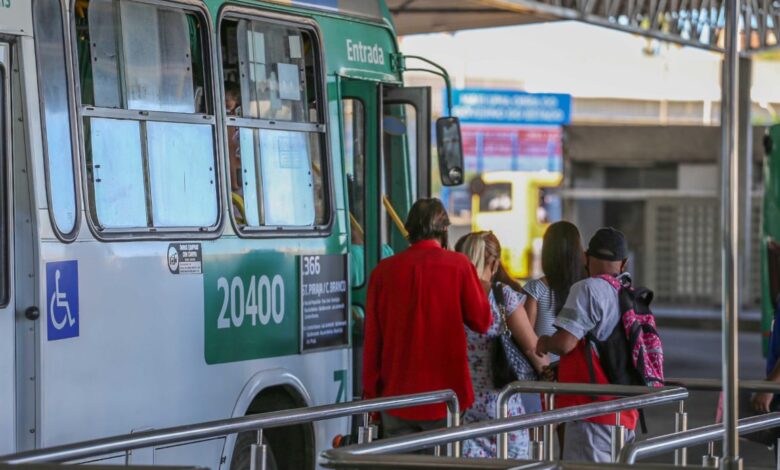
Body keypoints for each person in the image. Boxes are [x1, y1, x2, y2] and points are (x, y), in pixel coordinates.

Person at [363, 198, 492, 442]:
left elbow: (373, 344)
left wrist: (371, 398)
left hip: (395, 399)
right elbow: (482, 321)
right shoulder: (459, 266)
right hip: (447, 398)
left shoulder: (383, 272)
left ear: (409, 230)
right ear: (444, 230)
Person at [536, 227, 638, 462]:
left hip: (592, 414)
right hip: (625, 412)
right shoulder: (628, 294)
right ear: (624, 263)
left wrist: (545, 342)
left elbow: (565, 343)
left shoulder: (587, 288)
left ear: (586, 257)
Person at [457, 232, 548, 459]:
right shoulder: (502, 296)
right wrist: (551, 375)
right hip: (505, 412)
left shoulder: (451, 296)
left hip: (462, 413)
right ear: (495, 263)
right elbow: (532, 348)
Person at [523, 221, 587, 364]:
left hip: (544, 376)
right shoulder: (587, 289)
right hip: (581, 377)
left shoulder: (536, 289)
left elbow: (526, 340)